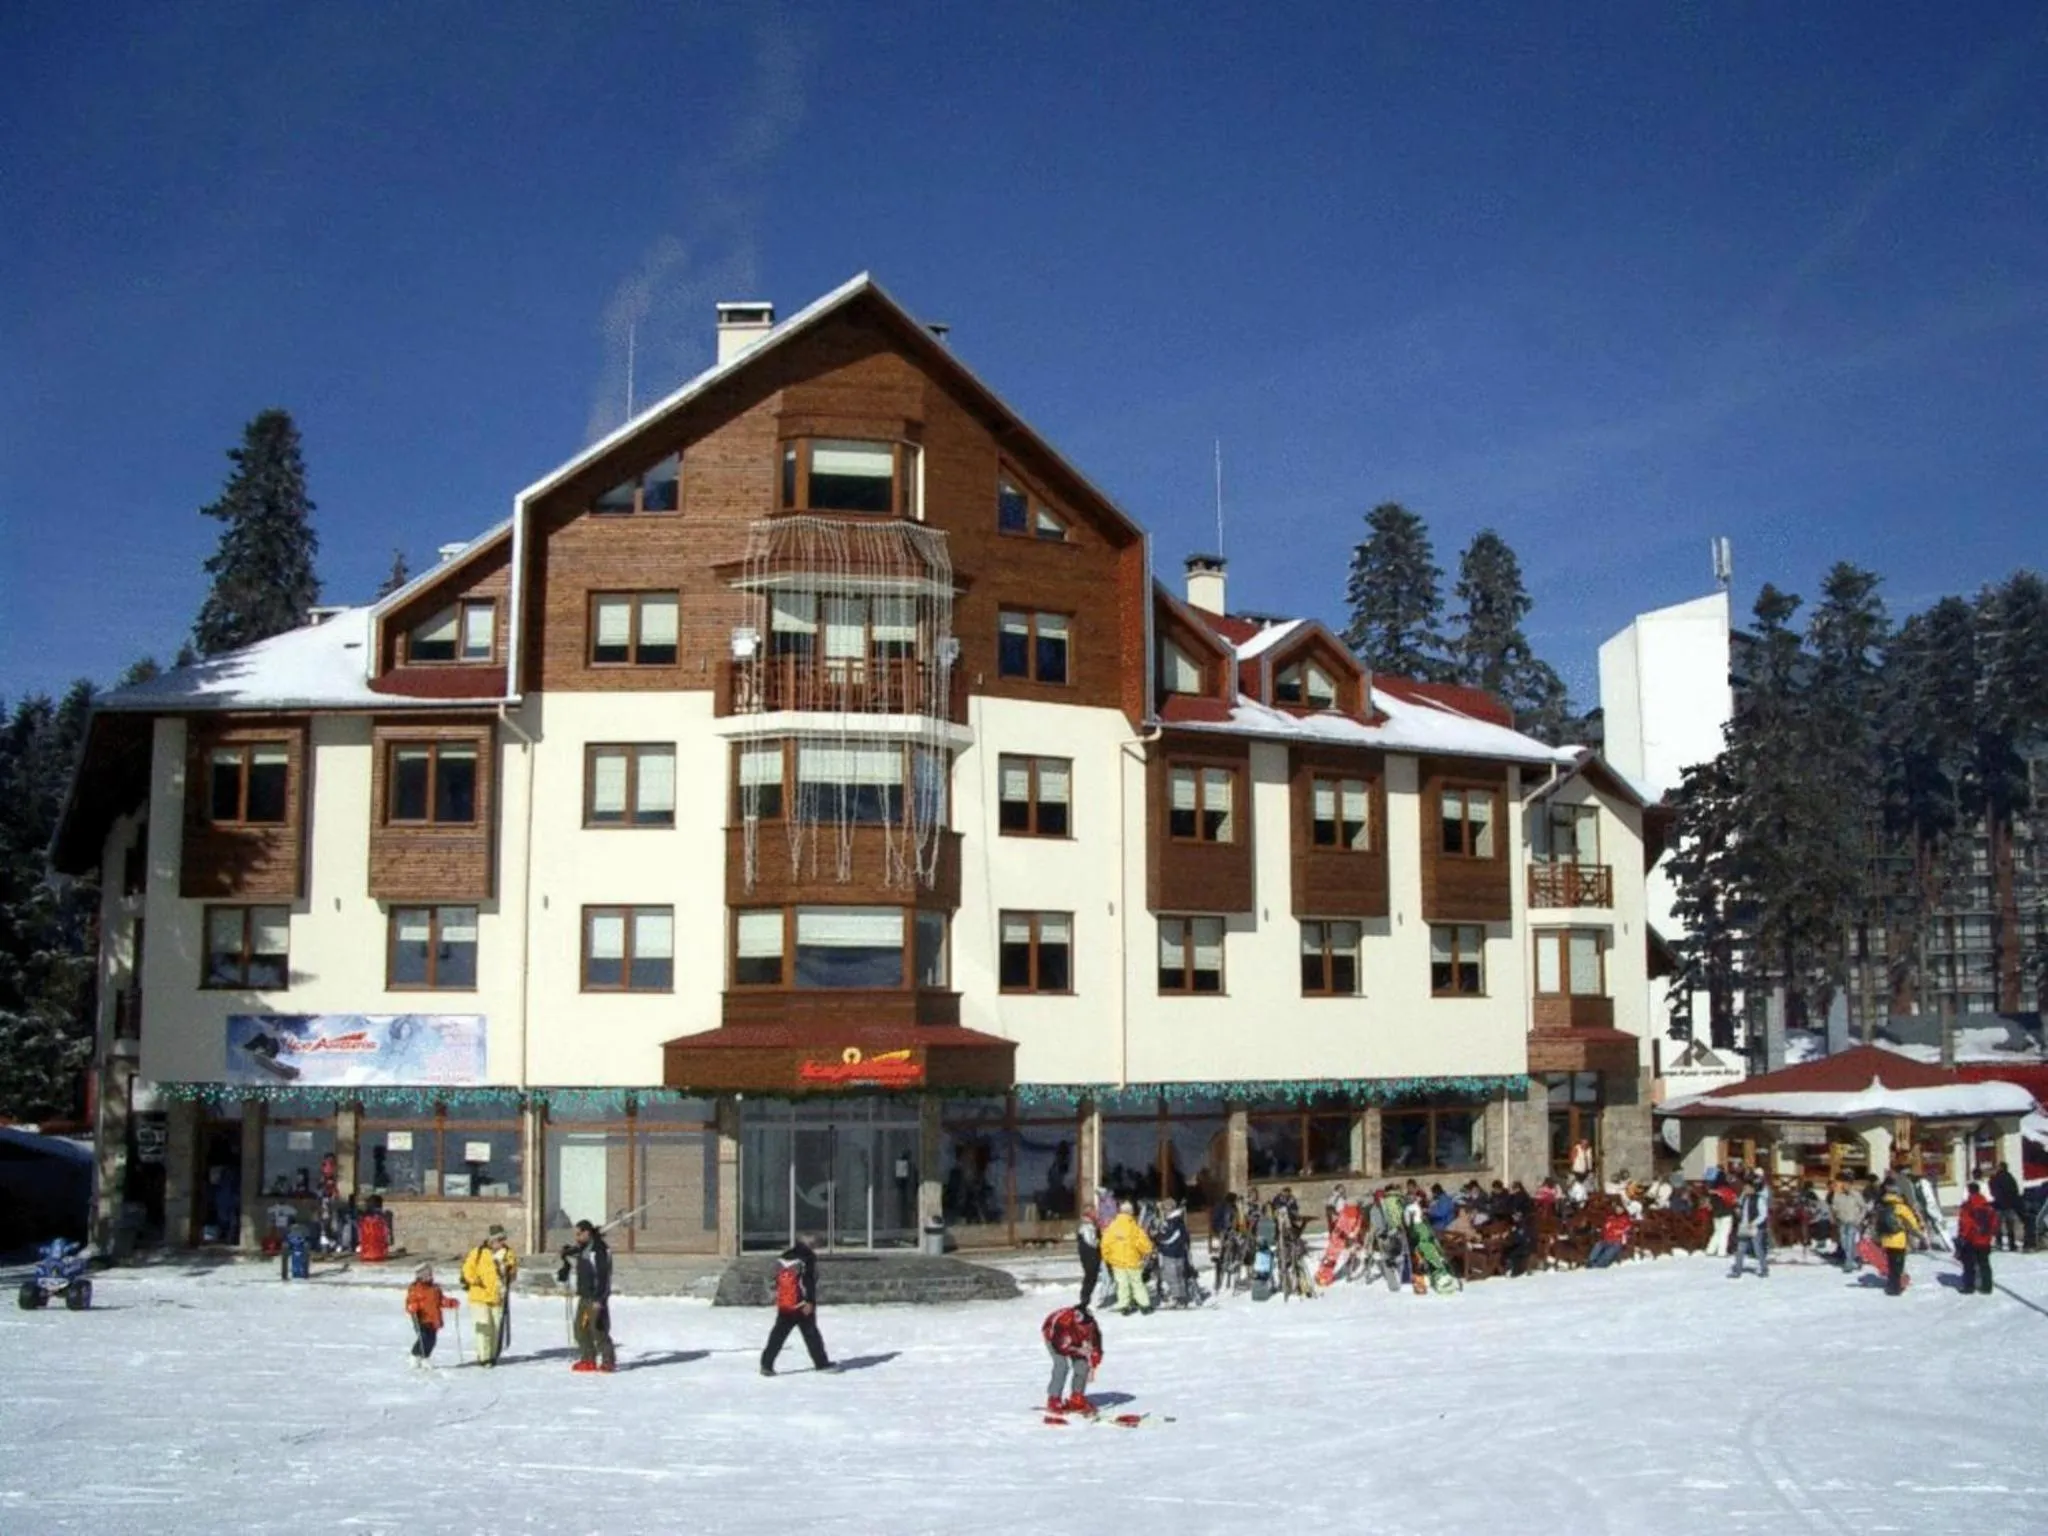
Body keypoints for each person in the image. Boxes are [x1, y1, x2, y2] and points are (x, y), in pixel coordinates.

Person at [761, 1234, 834, 1376]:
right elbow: (808, 1281)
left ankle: (766, 1364)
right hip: (801, 1304)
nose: (814, 1241)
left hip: (786, 1303)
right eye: (811, 1238)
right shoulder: (807, 1257)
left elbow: (775, 1279)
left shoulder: (784, 1256)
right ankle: (821, 1363)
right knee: (811, 1334)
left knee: (778, 1334)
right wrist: (810, 1301)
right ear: (805, 1241)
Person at [556, 1219, 616, 1373]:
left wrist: (600, 1299)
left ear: (587, 1232)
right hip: (584, 1295)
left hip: (596, 1296)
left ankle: (608, 1361)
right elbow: (578, 1252)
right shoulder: (585, 1247)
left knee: (598, 1329)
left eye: (579, 1234)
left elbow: (603, 1276)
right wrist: (567, 1252)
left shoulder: (599, 1250)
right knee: (580, 1329)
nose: (576, 1237)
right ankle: (588, 1359)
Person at [459, 1223, 519, 1366]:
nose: (502, 1242)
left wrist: (508, 1271)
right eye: (499, 1239)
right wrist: (475, 1280)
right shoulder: (478, 1252)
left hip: (498, 1297)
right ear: (492, 1240)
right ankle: (484, 1357)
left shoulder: (508, 1253)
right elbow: (467, 1269)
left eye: (504, 1239)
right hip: (479, 1296)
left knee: (496, 1328)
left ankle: (492, 1356)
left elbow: (513, 1274)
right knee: (483, 1328)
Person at [1041, 1302, 1103, 1416]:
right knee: (1062, 1365)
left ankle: (1077, 1397)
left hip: (1073, 1339)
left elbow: (1096, 1347)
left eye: (1088, 1326)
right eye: (1083, 1327)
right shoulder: (1063, 1323)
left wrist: (1093, 1364)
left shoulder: (1091, 1325)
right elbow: (1060, 1348)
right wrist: (1078, 1350)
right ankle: (1054, 1399)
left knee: (1082, 1366)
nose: (1086, 1329)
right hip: (1053, 1337)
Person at [1099, 1200, 1154, 1314]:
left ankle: (1124, 1306)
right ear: (1131, 1212)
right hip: (1133, 1261)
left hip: (1117, 1262)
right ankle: (1144, 1305)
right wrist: (1147, 1252)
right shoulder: (1134, 1227)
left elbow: (1105, 1244)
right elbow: (1143, 1243)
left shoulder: (1112, 1227)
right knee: (1137, 1283)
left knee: (1122, 1285)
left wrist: (1108, 1258)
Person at [404, 1262, 458, 1369]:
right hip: (421, 1318)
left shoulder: (435, 1288)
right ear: (419, 1276)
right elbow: (409, 1302)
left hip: (433, 1318)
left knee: (432, 1340)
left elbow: (440, 1300)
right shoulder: (415, 1289)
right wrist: (413, 1307)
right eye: (425, 1275)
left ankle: (425, 1357)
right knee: (423, 1338)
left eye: (430, 1274)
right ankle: (415, 1355)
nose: (428, 1277)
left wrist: (450, 1302)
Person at [1875, 1179, 1921, 1295]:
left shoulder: (1882, 1205)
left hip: (1886, 1239)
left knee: (1891, 1264)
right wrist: (1918, 1232)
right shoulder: (1900, 1207)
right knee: (1898, 1265)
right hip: (1898, 1239)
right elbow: (1912, 1221)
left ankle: (1891, 1284)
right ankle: (1895, 1288)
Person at [1955, 1182, 1997, 1297]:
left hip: (1971, 1239)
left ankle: (1969, 1286)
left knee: (1969, 1264)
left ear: (1969, 1191)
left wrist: (1961, 1237)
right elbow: (1994, 1223)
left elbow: (1965, 1223)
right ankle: (1987, 1287)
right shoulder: (1988, 1206)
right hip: (1985, 1239)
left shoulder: (1968, 1205)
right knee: (1984, 1263)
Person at [1729, 1172, 1770, 1280]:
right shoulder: (1745, 1198)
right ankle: (1737, 1270)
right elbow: (1743, 1210)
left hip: (1755, 1227)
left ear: (1753, 1188)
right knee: (1740, 1249)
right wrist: (1739, 1213)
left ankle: (1764, 1269)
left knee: (1758, 1249)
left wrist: (1754, 1223)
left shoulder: (1759, 1199)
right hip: (1744, 1225)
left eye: (1747, 1187)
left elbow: (1763, 1214)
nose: (1745, 1188)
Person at [1155, 1198, 1195, 1308]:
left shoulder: (1173, 1222)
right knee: (1179, 1276)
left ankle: (1178, 1298)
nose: (1164, 1211)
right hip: (1178, 1252)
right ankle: (1181, 1297)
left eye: (1165, 1209)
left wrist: (1159, 1239)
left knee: (1172, 1276)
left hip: (1172, 1252)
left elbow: (1170, 1237)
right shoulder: (1176, 1220)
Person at [1829, 1179, 1867, 1272]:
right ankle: (1855, 1258)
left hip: (1852, 1221)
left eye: (1847, 1184)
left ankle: (1848, 1263)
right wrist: (1834, 1217)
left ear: (1851, 1185)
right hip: (1842, 1221)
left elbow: (1863, 1207)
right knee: (1844, 1242)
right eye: (1844, 1184)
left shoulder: (1856, 1195)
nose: (1845, 1186)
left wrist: (1859, 1219)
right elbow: (1834, 1207)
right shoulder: (1838, 1195)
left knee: (1850, 1242)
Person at [1989, 1162, 2024, 1252]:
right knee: (2010, 1226)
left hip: (1998, 1206)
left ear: (2000, 1168)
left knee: (1998, 1226)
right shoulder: (2010, 1178)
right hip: (2010, 1206)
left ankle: (1999, 1243)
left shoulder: (1995, 1178)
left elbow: (1993, 1192)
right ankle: (2012, 1244)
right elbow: (2015, 1191)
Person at [1075, 1211, 1103, 1308]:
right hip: (1091, 1257)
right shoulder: (1088, 1228)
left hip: (1088, 1257)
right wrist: (1100, 1241)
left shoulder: (1085, 1228)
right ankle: (1084, 1300)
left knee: (1089, 1278)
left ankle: (1084, 1299)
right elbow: (1093, 1243)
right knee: (1090, 1278)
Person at [1707, 1174, 1738, 1258]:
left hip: (1716, 1214)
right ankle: (1722, 1252)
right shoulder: (1727, 1190)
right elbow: (1733, 1201)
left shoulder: (1713, 1192)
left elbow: (1711, 1204)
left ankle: (1710, 1249)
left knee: (1717, 1232)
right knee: (1724, 1233)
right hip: (1726, 1213)